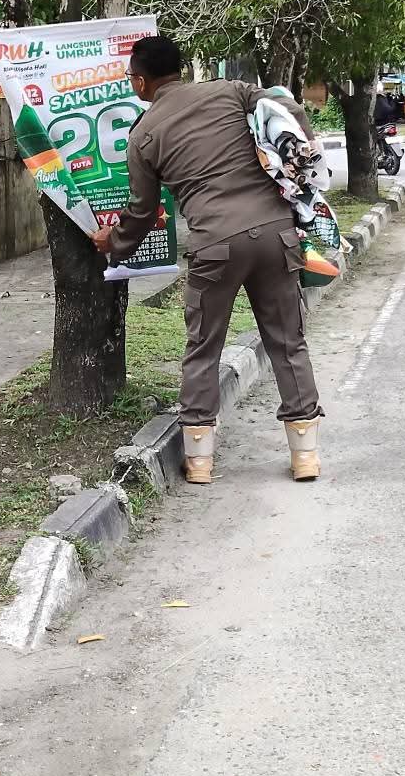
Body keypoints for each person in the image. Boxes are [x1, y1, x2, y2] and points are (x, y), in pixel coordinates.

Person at [91, 36, 324, 484]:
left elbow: (143, 213)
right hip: (276, 234)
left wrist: (113, 242)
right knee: (287, 343)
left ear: (140, 81)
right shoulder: (232, 91)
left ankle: (199, 462)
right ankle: (305, 457)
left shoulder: (143, 134)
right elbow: (283, 107)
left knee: (203, 347)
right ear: (180, 69)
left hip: (214, 246)